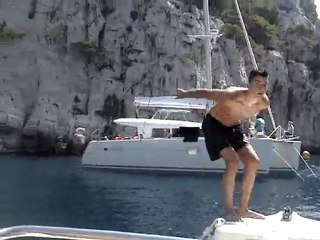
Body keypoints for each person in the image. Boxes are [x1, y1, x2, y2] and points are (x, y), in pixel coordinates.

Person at [176, 70, 270, 221]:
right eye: (257, 83)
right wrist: (185, 93)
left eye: (264, 85)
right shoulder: (232, 95)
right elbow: (207, 93)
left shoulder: (263, 103)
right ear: (249, 84)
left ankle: (244, 210)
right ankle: (229, 210)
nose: (261, 88)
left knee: (253, 161)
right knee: (232, 162)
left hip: (233, 127)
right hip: (214, 124)